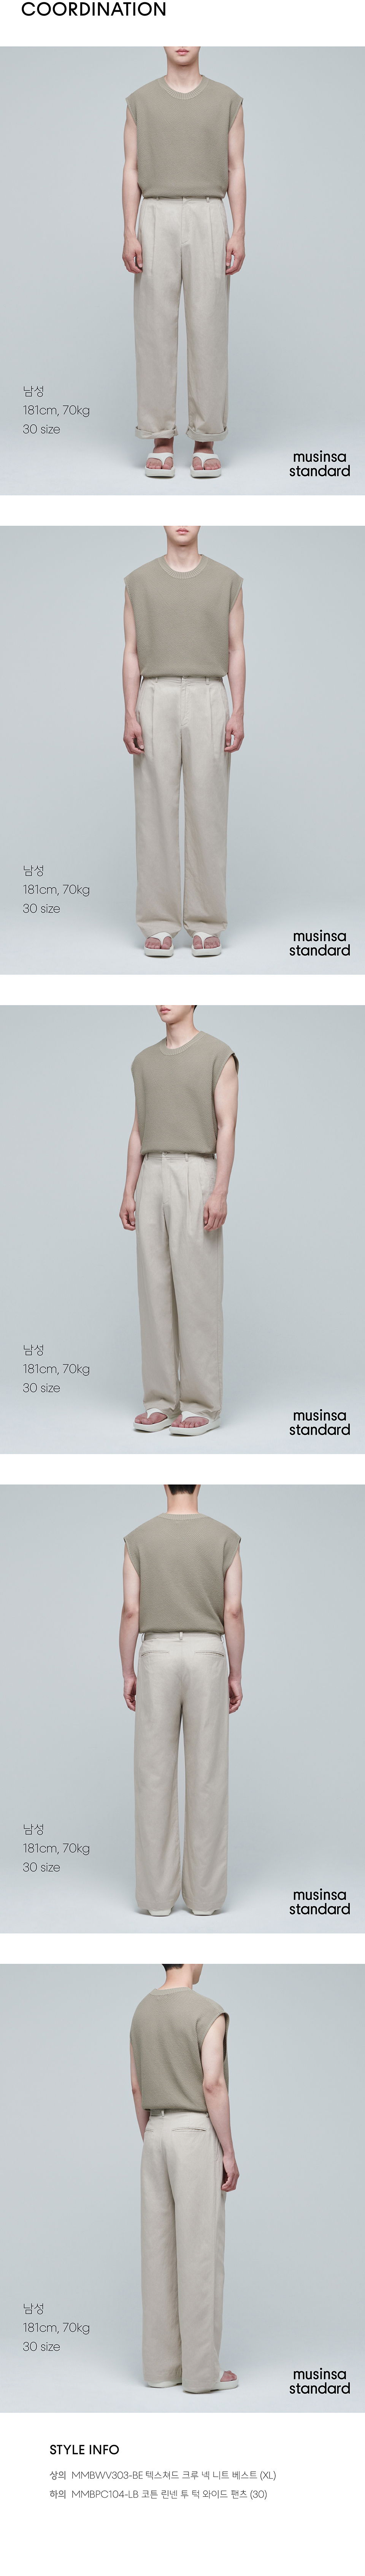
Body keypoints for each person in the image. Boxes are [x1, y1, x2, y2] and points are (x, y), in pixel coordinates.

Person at [119, 1481, 245, 1914]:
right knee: (208, 1775)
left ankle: (157, 1900)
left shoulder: (138, 1539)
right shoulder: (226, 1538)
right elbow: (233, 1611)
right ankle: (206, 1900)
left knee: (154, 1775)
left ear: (164, 1483)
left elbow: (131, 1611)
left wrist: (128, 1671)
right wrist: (235, 1673)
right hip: (208, 1655)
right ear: (200, 1482)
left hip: (156, 1655)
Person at [122, 46, 246, 479]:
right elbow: (132, 168)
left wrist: (239, 230)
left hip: (209, 213)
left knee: (209, 326)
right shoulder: (140, 101)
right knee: (154, 327)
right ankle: (160, 437)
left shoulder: (228, 100)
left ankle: (206, 437)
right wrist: (129, 231)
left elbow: (236, 167)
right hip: (155, 213)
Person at [123, 523, 245, 958]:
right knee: (153, 810)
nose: (182, 520)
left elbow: (236, 648)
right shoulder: (139, 580)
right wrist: (130, 712)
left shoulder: (227, 580)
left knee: (208, 811)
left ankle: (206, 922)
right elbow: (132, 651)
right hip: (154, 694)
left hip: (210, 694)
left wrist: (238, 710)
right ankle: (158, 922)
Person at [119, 1001, 239, 1436]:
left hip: (196, 1172)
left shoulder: (218, 1055)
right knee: (153, 1291)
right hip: (152, 1173)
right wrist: (129, 1189)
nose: (163, 999)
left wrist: (220, 1190)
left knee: (197, 1290)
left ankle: (202, 1405)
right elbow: (138, 1130)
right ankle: (160, 1400)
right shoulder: (143, 1062)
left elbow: (226, 1126)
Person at [130, 1960, 239, 2393]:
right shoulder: (207, 2011)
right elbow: (213, 2084)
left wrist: (152, 2136)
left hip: (155, 2133)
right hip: (194, 2133)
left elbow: (137, 2087)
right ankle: (201, 2373)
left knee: (157, 2252)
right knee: (199, 2251)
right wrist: (228, 2151)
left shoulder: (142, 2011)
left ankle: (161, 2369)